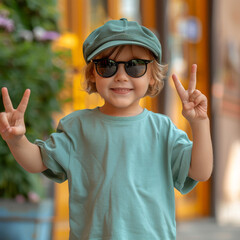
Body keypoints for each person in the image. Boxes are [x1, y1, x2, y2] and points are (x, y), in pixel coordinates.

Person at [0, 18, 213, 240]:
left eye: (135, 66)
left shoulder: (163, 130)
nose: (121, 76)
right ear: (93, 74)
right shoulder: (76, 127)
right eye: (107, 66)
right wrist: (16, 140)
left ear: (152, 76)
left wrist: (199, 123)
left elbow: (201, 171)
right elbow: (38, 161)